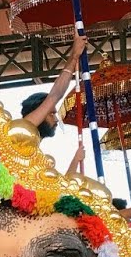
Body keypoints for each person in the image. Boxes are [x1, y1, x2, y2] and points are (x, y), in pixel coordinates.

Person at [19, 33, 88, 177]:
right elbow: (55, 95)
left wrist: (76, 159)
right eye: (51, 113)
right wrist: (74, 56)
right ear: (37, 112)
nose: (56, 120)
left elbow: (60, 188)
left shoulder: (35, 153)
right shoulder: (22, 131)